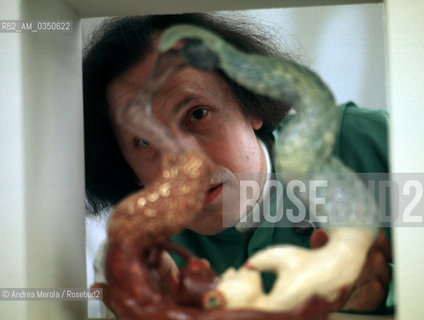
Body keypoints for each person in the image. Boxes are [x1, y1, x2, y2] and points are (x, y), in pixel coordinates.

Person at [83, 13, 392, 316]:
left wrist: (394, 286)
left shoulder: (373, 142)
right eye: (145, 141)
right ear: (128, 169)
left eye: (198, 114)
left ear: (251, 103)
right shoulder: (148, 264)